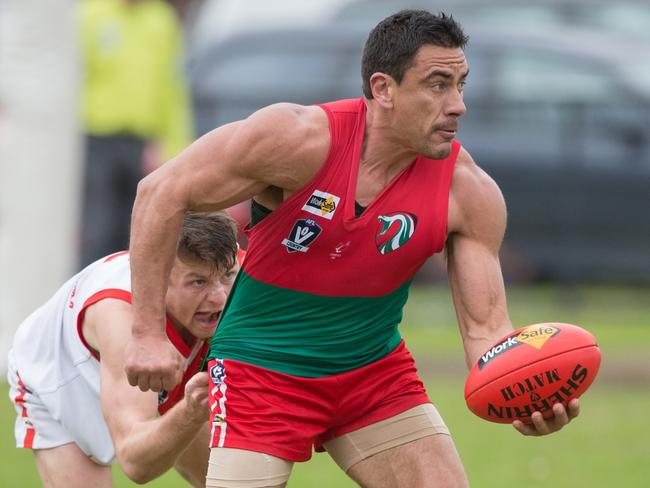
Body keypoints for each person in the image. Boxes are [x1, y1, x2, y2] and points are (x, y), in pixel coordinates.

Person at [125, 10, 581, 488]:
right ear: (383, 89)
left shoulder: (467, 192)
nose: (457, 105)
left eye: (461, 84)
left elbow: (486, 331)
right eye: (438, 84)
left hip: (372, 375)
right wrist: (147, 333)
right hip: (260, 371)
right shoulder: (296, 139)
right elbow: (160, 192)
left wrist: (521, 391)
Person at [7, 211, 241, 487]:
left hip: (158, 352)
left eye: (227, 276)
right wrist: (190, 411)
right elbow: (136, 462)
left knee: (235, 482)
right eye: (198, 282)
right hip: (61, 378)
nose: (218, 297)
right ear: (159, 277)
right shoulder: (120, 320)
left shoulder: (240, 269)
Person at [78, 0, 193, 267]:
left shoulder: (161, 20)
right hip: (96, 138)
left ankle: (128, 297)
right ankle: (92, 299)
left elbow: (172, 89)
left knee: (140, 230)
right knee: (99, 228)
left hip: (143, 144)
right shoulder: (89, 15)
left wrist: (173, 147)